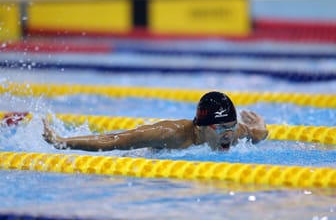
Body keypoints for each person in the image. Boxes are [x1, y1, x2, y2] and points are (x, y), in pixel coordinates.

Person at [42, 91, 268, 151]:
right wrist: (62, 141)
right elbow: (114, 140)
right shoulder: (171, 134)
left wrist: (260, 124)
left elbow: (259, 134)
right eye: (220, 128)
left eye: (231, 126)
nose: (228, 133)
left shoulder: (235, 132)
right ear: (200, 127)